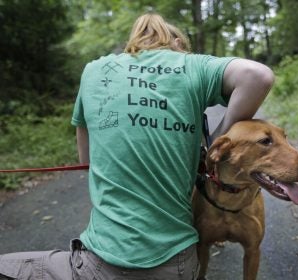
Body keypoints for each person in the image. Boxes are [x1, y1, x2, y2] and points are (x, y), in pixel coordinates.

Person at [0, 13, 274, 280]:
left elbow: (87, 161)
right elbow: (258, 76)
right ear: (178, 45)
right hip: (178, 264)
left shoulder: (95, 69)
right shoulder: (192, 65)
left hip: (98, 265)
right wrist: (214, 142)